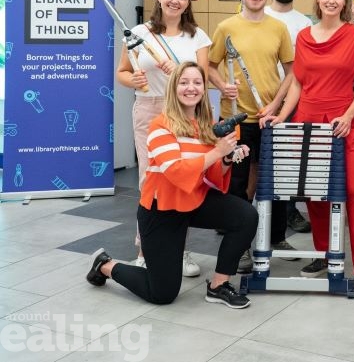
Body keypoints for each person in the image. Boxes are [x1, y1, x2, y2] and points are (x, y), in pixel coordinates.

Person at [87, 62, 258, 309]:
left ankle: (219, 285)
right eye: (184, 82)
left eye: (197, 83)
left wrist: (227, 159)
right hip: (162, 209)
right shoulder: (160, 126)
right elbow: (177, 172)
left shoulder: (205, 125)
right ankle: (105, 265)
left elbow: (210, 174)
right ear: (174, 88)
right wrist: (217, 151)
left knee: (245, 215)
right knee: (162, 293)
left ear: (203, 89)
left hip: (194, 200)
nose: (191, 88)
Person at [265, 0, 354, 300]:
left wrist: (348, 115)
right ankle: (325, 256)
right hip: (307, 120)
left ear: (346, 2)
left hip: (341, 123)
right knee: (315, 194)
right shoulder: (303, 36)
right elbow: (298, 84)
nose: (332, 1)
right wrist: (282, 116)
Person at [115, 0, 210, 277]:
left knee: (182, 183)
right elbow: (123, 72)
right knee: (150, 182)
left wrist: (180, 72)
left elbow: (202, 80)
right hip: (148, 110)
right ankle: (145, 251)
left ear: (188, 2)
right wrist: (135, 79)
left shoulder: (197, 36)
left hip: (184, 114)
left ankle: (180, 251)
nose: (175, 1)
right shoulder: (139, 33)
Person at [207, 0, 296, 272]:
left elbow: (292, 71)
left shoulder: (279, 28)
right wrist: (221, 85)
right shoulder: (226, 27)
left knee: (274, 179)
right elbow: (209, 66)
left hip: (269, 117)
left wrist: (275, 103)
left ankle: (276, 237)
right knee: (240, 184)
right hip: (237, 119)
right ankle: (241, 244)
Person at [264, 0, 313, 234]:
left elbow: (300, 69)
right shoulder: (261, 14)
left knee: (291, 162)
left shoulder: (304, 22)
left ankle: (289, 212)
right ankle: (255, 214)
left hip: (293, 101)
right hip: (259, 99)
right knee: (257, 163)